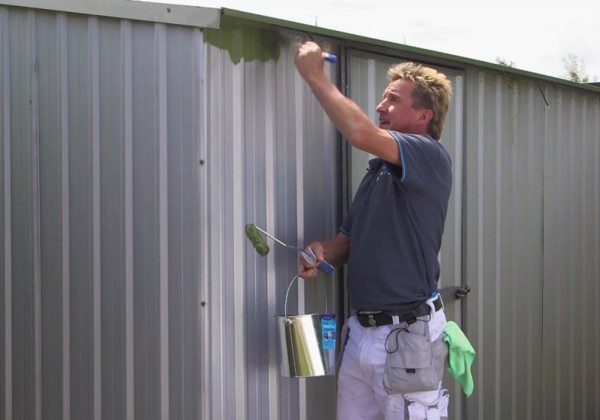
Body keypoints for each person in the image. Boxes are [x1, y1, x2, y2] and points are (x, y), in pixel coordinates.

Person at [295, 41, 453, 420]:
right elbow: (348, 242)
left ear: (423, 116)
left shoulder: (429, 154)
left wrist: (315, 75)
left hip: (406, 337)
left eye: (393, 100)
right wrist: (323, 251)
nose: (381, 107)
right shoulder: (377, 173)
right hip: (361, 334)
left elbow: (360, 133)